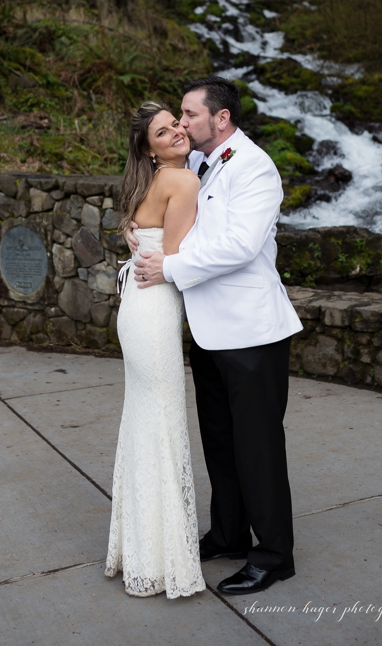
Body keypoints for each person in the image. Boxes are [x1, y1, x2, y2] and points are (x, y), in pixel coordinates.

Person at [130, 76, 303, 596]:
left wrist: (170, 266)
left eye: (189, 114)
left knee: (259, 447)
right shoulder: (198, 165)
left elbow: (239, 246)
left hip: (252, 332)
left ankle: (273, 555)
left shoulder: (254, 167)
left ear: (220, 119)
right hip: (207, 331)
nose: (181, 123)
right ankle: (228, 534)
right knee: (222, 444)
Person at [103, 102, 204, 598]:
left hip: (135, 307)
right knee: (162, 423)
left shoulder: (146, 182)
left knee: (144, 421)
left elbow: (135, 233)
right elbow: (182, 254)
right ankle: (161, 559)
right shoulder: (183, 182)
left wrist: (147, 249)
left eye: (177, 125)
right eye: (163, 132)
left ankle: (140, 550)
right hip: (157, 306)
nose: (176, 134)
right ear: (149, 147)